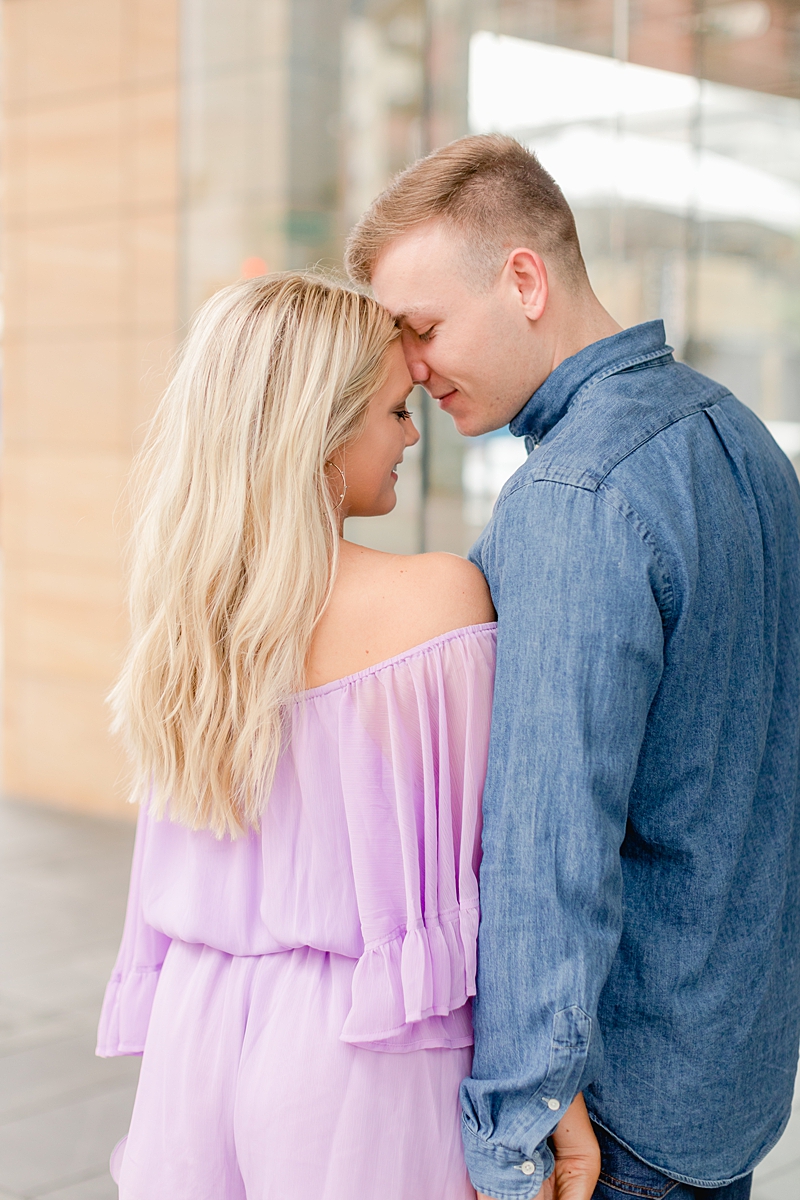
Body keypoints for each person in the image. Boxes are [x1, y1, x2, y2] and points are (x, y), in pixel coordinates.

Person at [345, 133, 800, 1200]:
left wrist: (514, 1126)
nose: (409, 367)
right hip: (732, 1076)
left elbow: (549, 846)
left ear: (523, 279)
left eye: (422, 328)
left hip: (617, 1115)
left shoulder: (573, 496)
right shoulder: (739, 438)